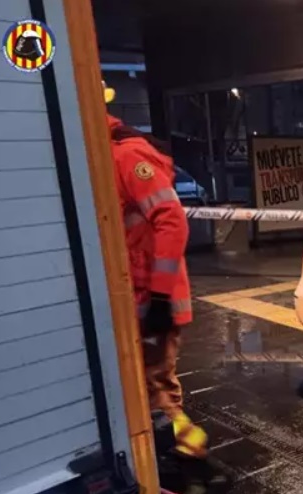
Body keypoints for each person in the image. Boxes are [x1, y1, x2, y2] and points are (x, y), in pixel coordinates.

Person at [103, 81, 208, 460]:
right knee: (150, 383)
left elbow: (172, 222)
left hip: (151, 297)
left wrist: (161, 298)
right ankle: (173, 453)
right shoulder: (105, 157)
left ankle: (185, 454)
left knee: (155, 384)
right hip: (138, 296)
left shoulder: (126, 157)